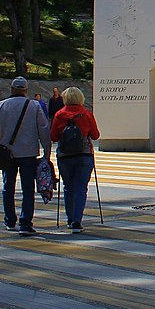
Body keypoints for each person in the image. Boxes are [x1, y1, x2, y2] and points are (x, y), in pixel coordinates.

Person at [0, 76, 51, 236]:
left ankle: (9, 221)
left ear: (11, 89)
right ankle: (25, 223)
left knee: (7, 187)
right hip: (28, 153)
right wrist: (47, 153)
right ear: (26, 91)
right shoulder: (34, 106)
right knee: (28, 189)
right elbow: (44, 130)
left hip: (6, 154)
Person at [49, 86, 100, 233]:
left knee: (68, 187)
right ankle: (77, 221)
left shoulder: (59, 115)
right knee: (80, 187)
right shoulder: (86, 114)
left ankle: (70, 218)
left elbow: (53, 137)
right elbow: (95, 135)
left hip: (65, 156)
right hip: (84, 155)